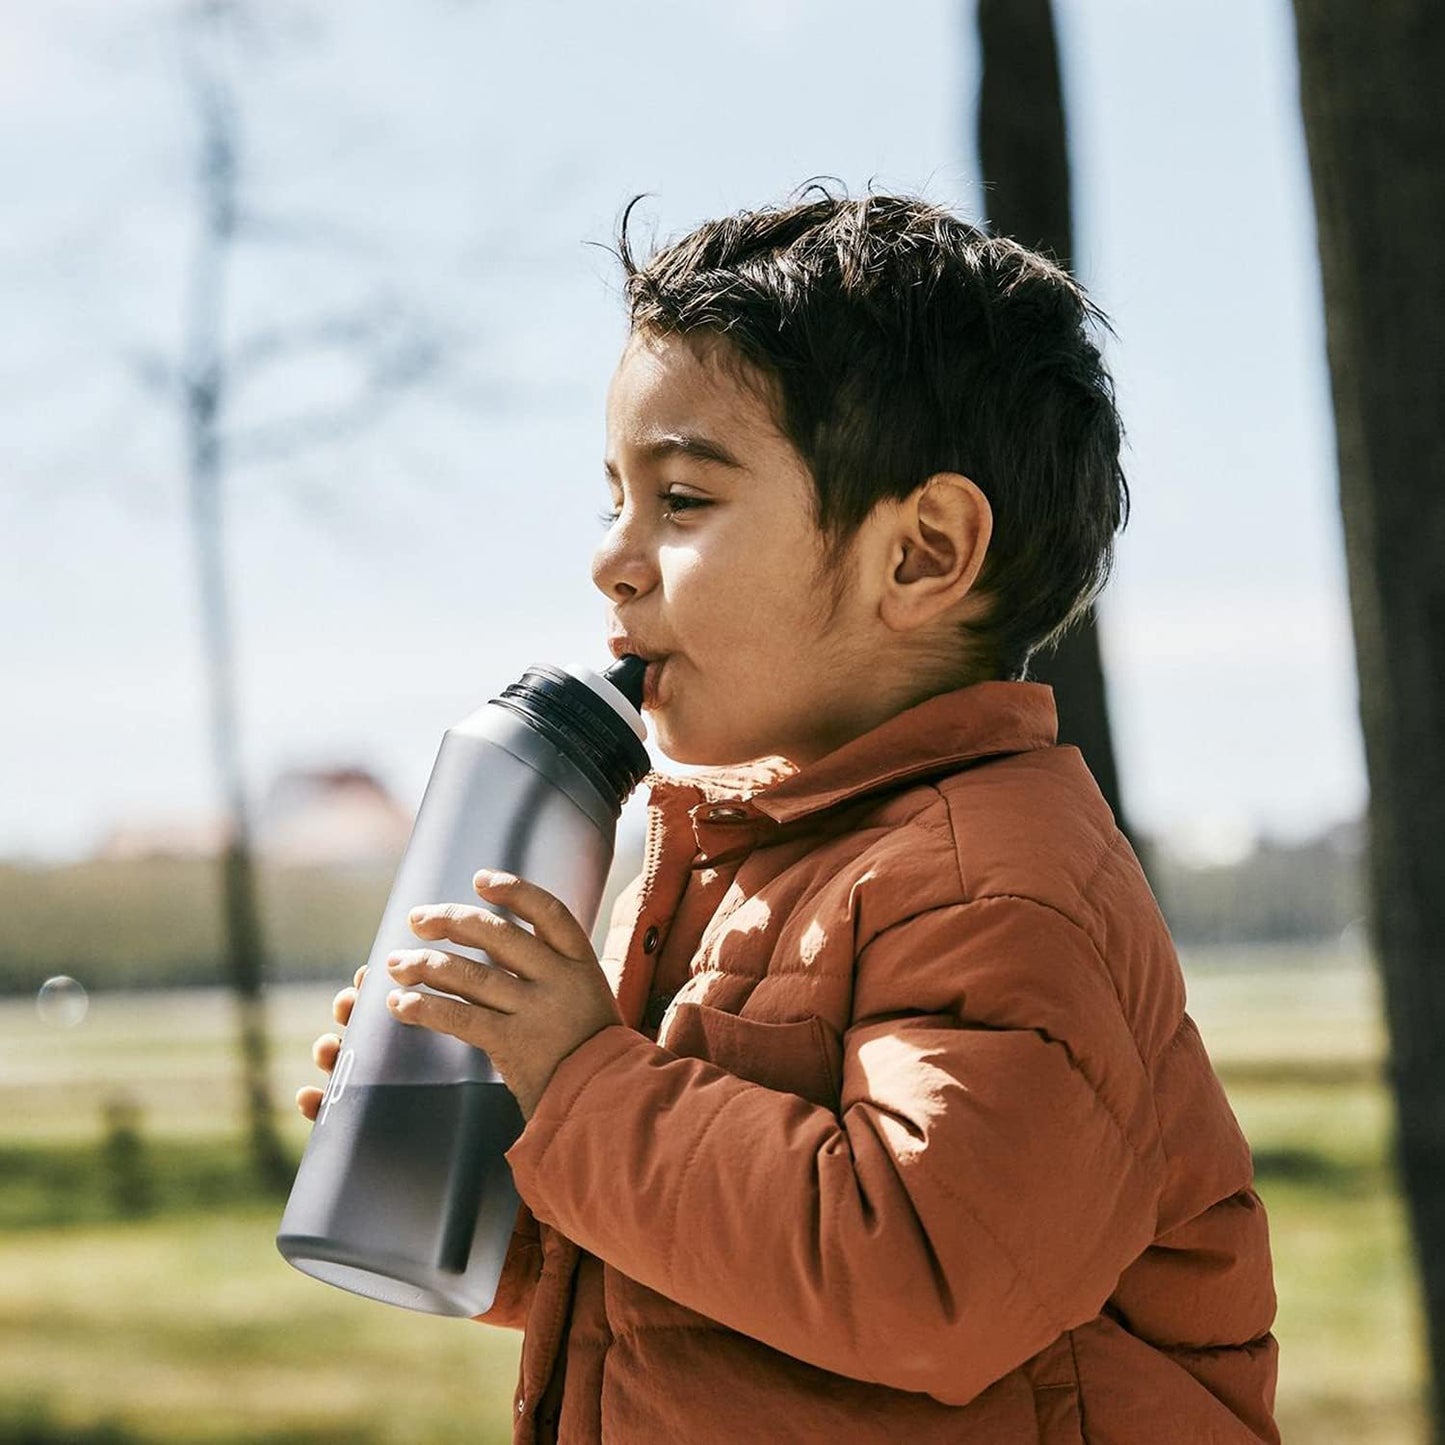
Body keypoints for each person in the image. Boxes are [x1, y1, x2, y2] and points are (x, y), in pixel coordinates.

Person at [297, 190, 1279, 1444]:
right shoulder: (744, 870)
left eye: (683, 501)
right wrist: (484, 1169)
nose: (613, 557)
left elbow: (922, 1276)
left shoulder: (997, 883)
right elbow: (721, 1285)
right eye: (613, 497)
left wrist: (581, 1079)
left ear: (920, 553)